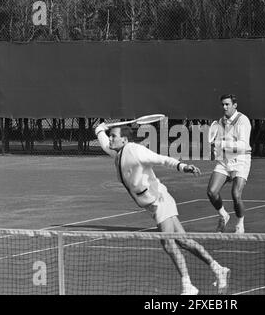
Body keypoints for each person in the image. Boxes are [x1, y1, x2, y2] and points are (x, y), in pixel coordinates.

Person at [95, 122, 230, 295]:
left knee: (167, 242)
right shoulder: (117, 151)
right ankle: (218, 268)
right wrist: (101, 128)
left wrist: (183, 166)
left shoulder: (136, 150)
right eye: (111, 136)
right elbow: (103, 139)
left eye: (114, 136)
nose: (111, 139)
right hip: (152, 205)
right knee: (184, 241)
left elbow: (161, 159)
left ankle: (188, 285)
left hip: (160, 200)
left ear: (125, 139)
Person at [207, 94, 252, 234]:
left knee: (236, 194)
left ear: (234, 105)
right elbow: (219, 143)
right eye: (223, 104)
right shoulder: (220, 122)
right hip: (224, 161)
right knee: (211, 192)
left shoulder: (243, 121)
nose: (225, 107)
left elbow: (243, 145)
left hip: (241, 160)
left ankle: (240, 223)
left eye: (227, 104)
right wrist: (216, 151)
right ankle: (224, 215)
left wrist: (221, 144)